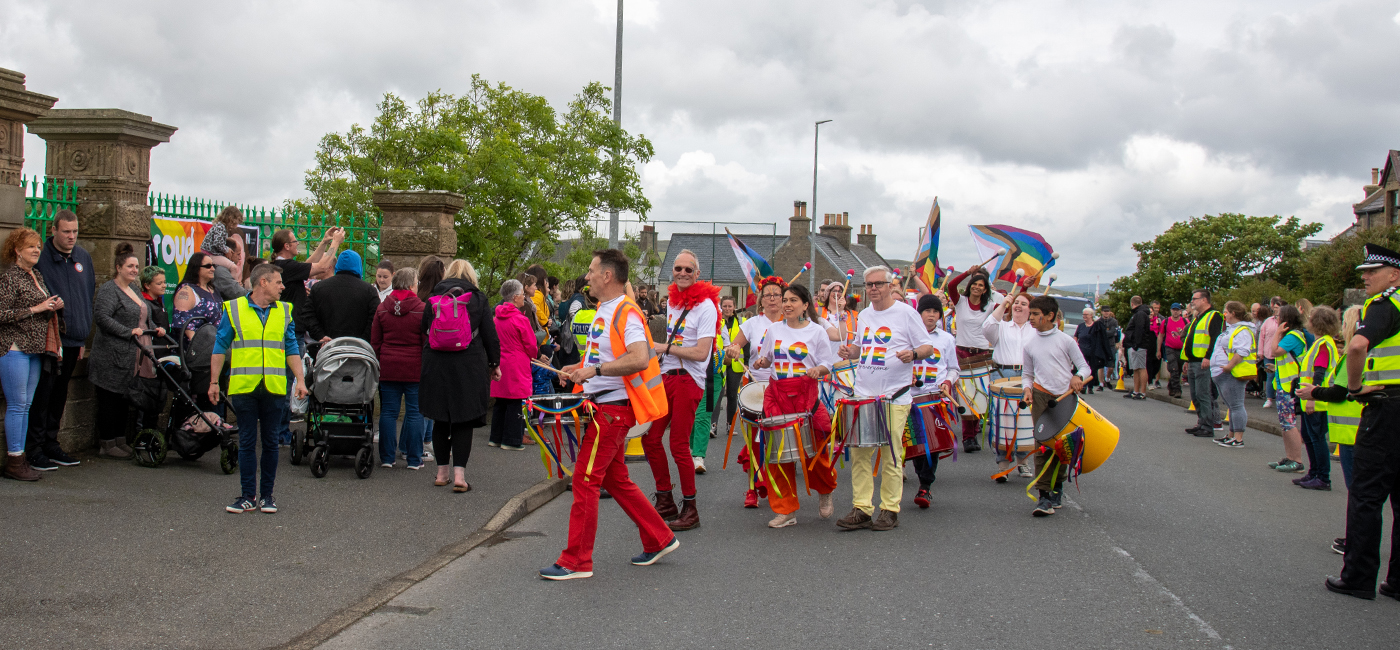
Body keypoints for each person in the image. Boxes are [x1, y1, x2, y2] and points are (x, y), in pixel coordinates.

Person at [541, 249, 678, 580]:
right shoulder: (604, 309)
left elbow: (640, 358)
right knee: (615, 480)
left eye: (591, 271)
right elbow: (600, 361)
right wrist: (577, 369)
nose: (586, 276)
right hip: (604, 407)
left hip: (613, 411)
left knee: (584, 480)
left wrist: (595, 371)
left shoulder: (626, 312)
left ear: (607, 276)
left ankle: (577, 560)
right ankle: (660, 537)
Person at [1324, 243, 1400, 601]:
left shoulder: (1387, 304)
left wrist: (1354, 388)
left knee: (1367, 494)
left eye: (1372, 271)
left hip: (1387, 408)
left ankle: (1358, 576)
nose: (1365, 277)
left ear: (1394, 275)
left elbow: (1356, 347)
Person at [835, 265, 935, 532]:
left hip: (894, 395)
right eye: (869, 285)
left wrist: (913, 354)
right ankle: (862, 508)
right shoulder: (865, 315)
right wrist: (850, 350)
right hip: (863, 395)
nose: (874, 289)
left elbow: (927, 346)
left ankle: (890, 509)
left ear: (891, 286)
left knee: (891, 455)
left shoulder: (906, 313)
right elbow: (861, 347)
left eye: (879, 284)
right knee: (859, 453)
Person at [210, 264, 308, 515]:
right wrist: (213, 382)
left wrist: (300, 380)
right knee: (246, 442)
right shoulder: (233, 309)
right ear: (262, 282)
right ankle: (247, 496)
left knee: (271, 443)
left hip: (274, 386)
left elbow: (291, 348)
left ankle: (267, 496)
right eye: (278, 282)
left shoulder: (285, 311)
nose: (283, 287)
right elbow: (220, 347)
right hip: (244, 386)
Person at [748, 283, 840, 527]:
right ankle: (785, 510)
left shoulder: (817, 332)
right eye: (785, 300)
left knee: (817, 452)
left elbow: (827, 364)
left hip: (806, 396)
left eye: (793, 300)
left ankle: (825, 489)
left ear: (805, 305)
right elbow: (767, 358)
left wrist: (817, 370)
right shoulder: (774, 329)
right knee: (777, 456)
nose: (787, 304)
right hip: (777, 395)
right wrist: (761, 362)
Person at [641, 250, 718, 532]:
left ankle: (691, 507)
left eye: (688, 269)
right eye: (678, 268)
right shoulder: (672, 300)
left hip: (688, 379)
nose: (683, 273)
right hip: (666, 377)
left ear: (697, 274)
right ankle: (665, 499)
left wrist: (666, 348)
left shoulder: (707, 306)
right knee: (651, 438)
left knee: (678, 445)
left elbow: (701, 352)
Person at [420, 259, 499, 492]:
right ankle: (459, 478)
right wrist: (494, 363)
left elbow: (424, 329)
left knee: (440, 418)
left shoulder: (434, 297)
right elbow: (489, 334)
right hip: (469, 364)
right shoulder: (478, 298)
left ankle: (440, 473)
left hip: (436, 364)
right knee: (463, 420)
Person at [26, 210, 92, 470]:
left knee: (59, 395)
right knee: (43, 394)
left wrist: (83, 336)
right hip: (49, 339)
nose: (71, 237)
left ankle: (52, 443)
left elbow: (87, 296)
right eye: (66, 231)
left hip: (74, 340)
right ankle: (35, 447)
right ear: (53, 230)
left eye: (75, 232)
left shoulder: (83, 257)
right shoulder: (41, 257)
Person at [90, 243, 167, 460]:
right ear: (118, 268)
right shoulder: (109, 290)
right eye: (130, 266)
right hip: (110, 354)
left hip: (131, 355)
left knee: (124, 398)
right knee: (109, 399)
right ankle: (107, 443)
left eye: (136, 266)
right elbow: (102, 318)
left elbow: (144, 313)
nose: (134, 270)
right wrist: (127, 332)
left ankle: (120, 440)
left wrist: (155, 327)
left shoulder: (133, 290)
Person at [1298, 305, 1362, 555]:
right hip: (1352, 427)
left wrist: (1313, 393)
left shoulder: (1333, 347)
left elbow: (1335, 385)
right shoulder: (1330, 345)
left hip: (1352, 429)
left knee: (1359, 491)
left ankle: (1321, 475)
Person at [1, 228, 64, 481]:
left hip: (36, 349)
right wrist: (36, 308)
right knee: (17, 405)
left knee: (26, 405)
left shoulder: (35, 274)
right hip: (14, 348)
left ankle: (21, 457)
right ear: (17, 251)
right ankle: (14, 461)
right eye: (30, 247)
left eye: (38, 246)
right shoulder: (10, 278)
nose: (37, 250)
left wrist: (52, 306)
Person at [1020, 295, 1092, 516]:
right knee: (1042, 444)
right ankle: (1043, 497)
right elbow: (1027, 374)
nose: (1030, 318)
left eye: (1034, 314)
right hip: (1041, 397)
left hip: (1065, 397)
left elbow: (1084, 368)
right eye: (1029, 313)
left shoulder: (1066, 340)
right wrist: (1027, 389)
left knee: (1062, 445)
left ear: (1050, 316)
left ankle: (1057, 487)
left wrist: (1077, 377)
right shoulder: (1030, 343)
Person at [723, 276, 786, 508]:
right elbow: (735, 345)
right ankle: (752, 489)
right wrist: (732, 350)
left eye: (776, 295)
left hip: (782, 388)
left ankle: (777, 485)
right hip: (755, 388)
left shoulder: (791, 323)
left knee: (778, 441)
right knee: (753, 442)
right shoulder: (752, 324)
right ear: (761, 300)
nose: (772, 299)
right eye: (767, 295)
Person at [372, 268, 426, 469]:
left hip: (388, 366)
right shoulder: (421, 308)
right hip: (414, 367)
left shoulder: (382, 308)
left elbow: (375, 341)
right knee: (414, 413)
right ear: (412, 285)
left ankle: (387, 458)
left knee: (388, 412)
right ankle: (414, 459)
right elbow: (425, 342)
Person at [907, 294, 958, 507]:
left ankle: (925, 487)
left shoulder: (946, 339)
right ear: (919, 313)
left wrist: (948, 381)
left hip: (935, 398)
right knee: (917, 445)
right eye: (927, 311)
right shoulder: (908, 336)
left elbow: (954, 368)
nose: (931, 315)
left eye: (935, 312)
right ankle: (921, 475)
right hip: (909, 398)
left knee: (932, 445)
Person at [983, 291, 1036, 478]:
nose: (1018, 306)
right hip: (1003, 373)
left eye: (1024, 303)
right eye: (1016, 303)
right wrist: (1003, 305)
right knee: (1002, 419)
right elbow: (987, 327)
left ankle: (1023, 461)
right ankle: (1003, 464)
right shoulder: (1002, 326)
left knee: (1025, 420)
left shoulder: (1034, 330)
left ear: (1031, 309)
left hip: (1027, 376)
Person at [269, 226, 344, 342]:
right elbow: (322, 267)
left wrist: (324, 241)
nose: (297, 243)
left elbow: (309, 265)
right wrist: (335, 242)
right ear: (286, 246)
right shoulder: (287, 266)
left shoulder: (283, 265)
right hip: (291, 329)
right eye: (295, 241)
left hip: (288, 326)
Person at [1293, 305, 1340, 490]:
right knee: (1309, 435)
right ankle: (1314, 473)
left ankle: (1322, 476)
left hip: (1316, 400)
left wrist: (1312, 396)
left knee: (1316, 437)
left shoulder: (1323, 344)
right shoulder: (1321, 342)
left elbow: (1319, 373)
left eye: (1311, 317)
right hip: (1311, 398)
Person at [490, 278, 537, 452]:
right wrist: (534, 355)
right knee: (516, 402)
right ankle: (511, 439)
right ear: (516, 297)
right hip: (517, 363)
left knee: (500, 401)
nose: (524, 298)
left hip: (501, 362)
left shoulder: (496, 317)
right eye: (522, 295)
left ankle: (496, 437)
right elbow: (531, 345)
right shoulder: (519, 319)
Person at [1268, 304, 1310, 473]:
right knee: (1285, 423)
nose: (1276, 319)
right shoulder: (1292, 335)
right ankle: (1289, 457)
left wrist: (1277, 333)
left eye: (1279, 316)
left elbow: (1275, 351)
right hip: (1283, 384)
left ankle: (1297, 460)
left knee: (1289, 423)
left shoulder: (1292, 336)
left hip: (1290, 385)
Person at [1209, 301, 1256, 448]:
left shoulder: (1242, 330)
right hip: (1222, 373)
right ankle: (1231, 435)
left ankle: (1238, 438)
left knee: (1236, 405)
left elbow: (1242, 351)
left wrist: (1229, 366)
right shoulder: (1232, 329)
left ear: (1233, 313)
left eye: (1226, 311)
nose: (1225, 314)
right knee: (1231, 406)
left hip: (1233, 373)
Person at [306, 250, 380, 343]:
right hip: (357, 347)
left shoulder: (318, 288)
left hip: (327, 345)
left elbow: (308, 314)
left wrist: (320, 335)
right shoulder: (369, 290)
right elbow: (375, 318)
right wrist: (364, 339)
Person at [1183, 289, 1224, 437]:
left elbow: (1215, 339)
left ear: (1205, 300)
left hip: (1203, 362)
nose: (1192, 301)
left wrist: (1208, 356)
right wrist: (1187, 359)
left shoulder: (1214, 316)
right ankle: (1201, 423)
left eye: (1195, 299)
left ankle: (1207, 425)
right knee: (1195, 395)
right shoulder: (1198, 317)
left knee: (1203, 394)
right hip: (1194, 361)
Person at [717, 296, 745, 449]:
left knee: (733, 394)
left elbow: (747, 342)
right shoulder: (716, 321)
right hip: (719, 361)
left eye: (730, 306)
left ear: (734, 307)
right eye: (725, 306)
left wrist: (746, 360)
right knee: (718, 393)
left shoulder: (741, 323)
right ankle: (713, 425)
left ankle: (730, 424)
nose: (727, 309)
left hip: (735, 362)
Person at [1119, 296, 1152, 399]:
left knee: (1141, 368)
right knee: (1136, 368)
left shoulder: (1140, 314)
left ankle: (1142, 392)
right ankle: (1136, 391)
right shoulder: (1139, 313)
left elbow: (1140, 329)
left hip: (1139, 345)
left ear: (1132, 303)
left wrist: (1136, 344)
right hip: (1135, 345)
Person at [199, 206, 245, 278]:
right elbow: (217, 243)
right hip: (210, 254)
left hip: (212, 253)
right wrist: (227, 249)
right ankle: (233, 285)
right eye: (236, 222)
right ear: (230, 218)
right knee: (234, 268)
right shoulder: (220, 227)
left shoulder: (220, 226)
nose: (236, 226)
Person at [1074, 308, 1111, 392]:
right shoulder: (1081, 326)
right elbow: (1076, 336)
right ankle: (1083, 385)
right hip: (1082, 350)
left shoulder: (1096, 326)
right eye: (1083, 315)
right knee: (1082, 368)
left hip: (1093, 351)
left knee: (1092, 369)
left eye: (1086, 315)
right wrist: (1075, 342)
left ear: (1091, 315)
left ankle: (1089, 386)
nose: (1084, 316)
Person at [1162, 302, 1187, 398]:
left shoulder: (1185, 322)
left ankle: (1171, 385)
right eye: (1174, 310)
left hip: (1181, 349)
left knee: (1179, 369)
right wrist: (1159, 350)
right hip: (1170, 348)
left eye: (1177, 310)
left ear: (1180, 311)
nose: (1175, 312)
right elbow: (1161, 336)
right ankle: (1177, 390)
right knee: (1174, 368)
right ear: (1171, 310)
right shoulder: (1166, 321)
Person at [1256, 301, 1278, 407]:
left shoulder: (1286, 321)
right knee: (1270, 376)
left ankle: (1279, 397)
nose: (1276, 309)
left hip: (1281, 354)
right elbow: (1262, 336)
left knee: (1279, 377)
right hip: (1269, 353)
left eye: (1279, 307)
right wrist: (1260, 351)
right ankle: (1269, 398)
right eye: (1275, 307)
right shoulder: (1268, 321)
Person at [1147, 301, 1165, 389]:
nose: (1156, 310)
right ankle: (1149, 381)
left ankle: (1153, 378)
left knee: (1157, 365)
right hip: (1147, 346)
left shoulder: (1160, 319)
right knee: (1149, 363)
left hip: (1157, 344)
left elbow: (1162, 332)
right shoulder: (1145, 320)